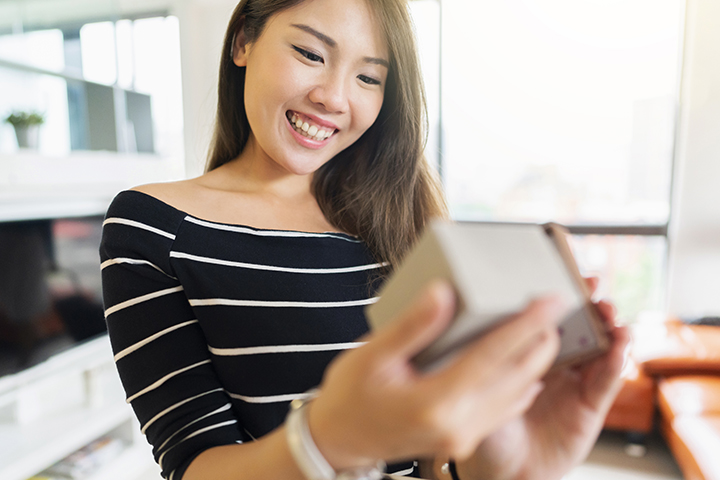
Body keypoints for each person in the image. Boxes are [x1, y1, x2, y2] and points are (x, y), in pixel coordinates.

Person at [99, 0, 630, 479]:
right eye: (310, 53)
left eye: (369, 79)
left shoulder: (401, 215)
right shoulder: (152, 227)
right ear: (243, 41)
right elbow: (194, 464)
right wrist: (328, 441)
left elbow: (428, 466)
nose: (333, 97)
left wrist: (501, 470)